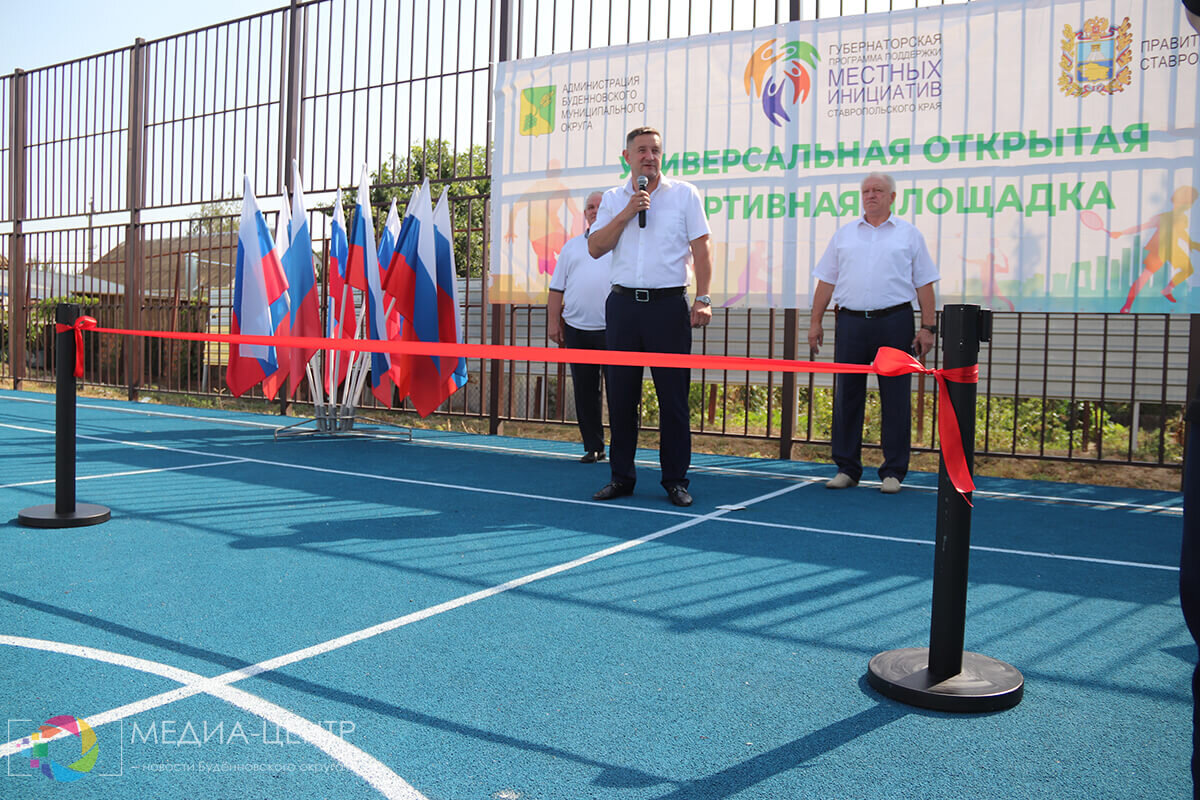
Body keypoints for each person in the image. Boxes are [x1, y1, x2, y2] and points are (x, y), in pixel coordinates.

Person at [587, 126, 713, 507]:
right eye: (641, 150)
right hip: (624, 306)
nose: (650, 157)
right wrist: (628, 212)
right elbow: (595, 247)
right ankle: (621, 477)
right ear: (626, 157)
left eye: (655, 150)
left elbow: (702, 249)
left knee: (673, 398)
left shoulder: (685, 195)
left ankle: (675, 480)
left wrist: (703, 298)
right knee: (622, 396)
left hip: (668, 307)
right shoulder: (612, 199)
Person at [807, 172, 940, 494]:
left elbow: (924, 283)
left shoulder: (909, 235)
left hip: (894, 322)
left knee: (895, 398)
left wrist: (928, 328)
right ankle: (847, 468)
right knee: (846, 396)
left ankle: (893, 471)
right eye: (866, 191)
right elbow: (826, 281)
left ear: (892, 197)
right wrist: (815, 322)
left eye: (878, 191)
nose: (871, 195)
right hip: (851, 323)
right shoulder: (845, 235)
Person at [547, 191, 611, 463]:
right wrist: (553, 322)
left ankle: (622, 449)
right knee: (584, 390)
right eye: (590, 207)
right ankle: (593, 446)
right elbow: (556, 289)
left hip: (614, 330)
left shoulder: (620, 244)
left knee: (621, 392)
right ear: (584, 214)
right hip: (576, 329)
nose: (595, 210)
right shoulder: (571, 247)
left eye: (600, 206)